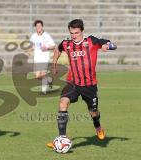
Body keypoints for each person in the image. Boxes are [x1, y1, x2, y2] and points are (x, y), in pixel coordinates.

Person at [47, 19, 117, 148]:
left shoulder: (91, 41)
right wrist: (54, 64)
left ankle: (98, 127)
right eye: (71, 33)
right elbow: (58, 49)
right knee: (63, 102)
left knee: (93, 112)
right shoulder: (66, 43)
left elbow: (111, 44)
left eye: (76, 33)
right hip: (73, 82)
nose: (74, 36)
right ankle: (61, 139)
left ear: (82, 31)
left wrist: (106, 46)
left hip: (89, 85)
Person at [29, 20, 56, 94]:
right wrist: (29, 50)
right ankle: (49, 80)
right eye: (37, 26)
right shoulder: (33, 36)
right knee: (38, 76)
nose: (39, 27)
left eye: (40, 26)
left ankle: (43, 91)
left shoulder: (46, 36)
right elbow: (32, 46)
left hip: (45, 58)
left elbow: (53, 46)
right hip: (37, 58)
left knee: (43, 74)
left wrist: (47, 48)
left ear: (42, 26)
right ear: (35, 27)